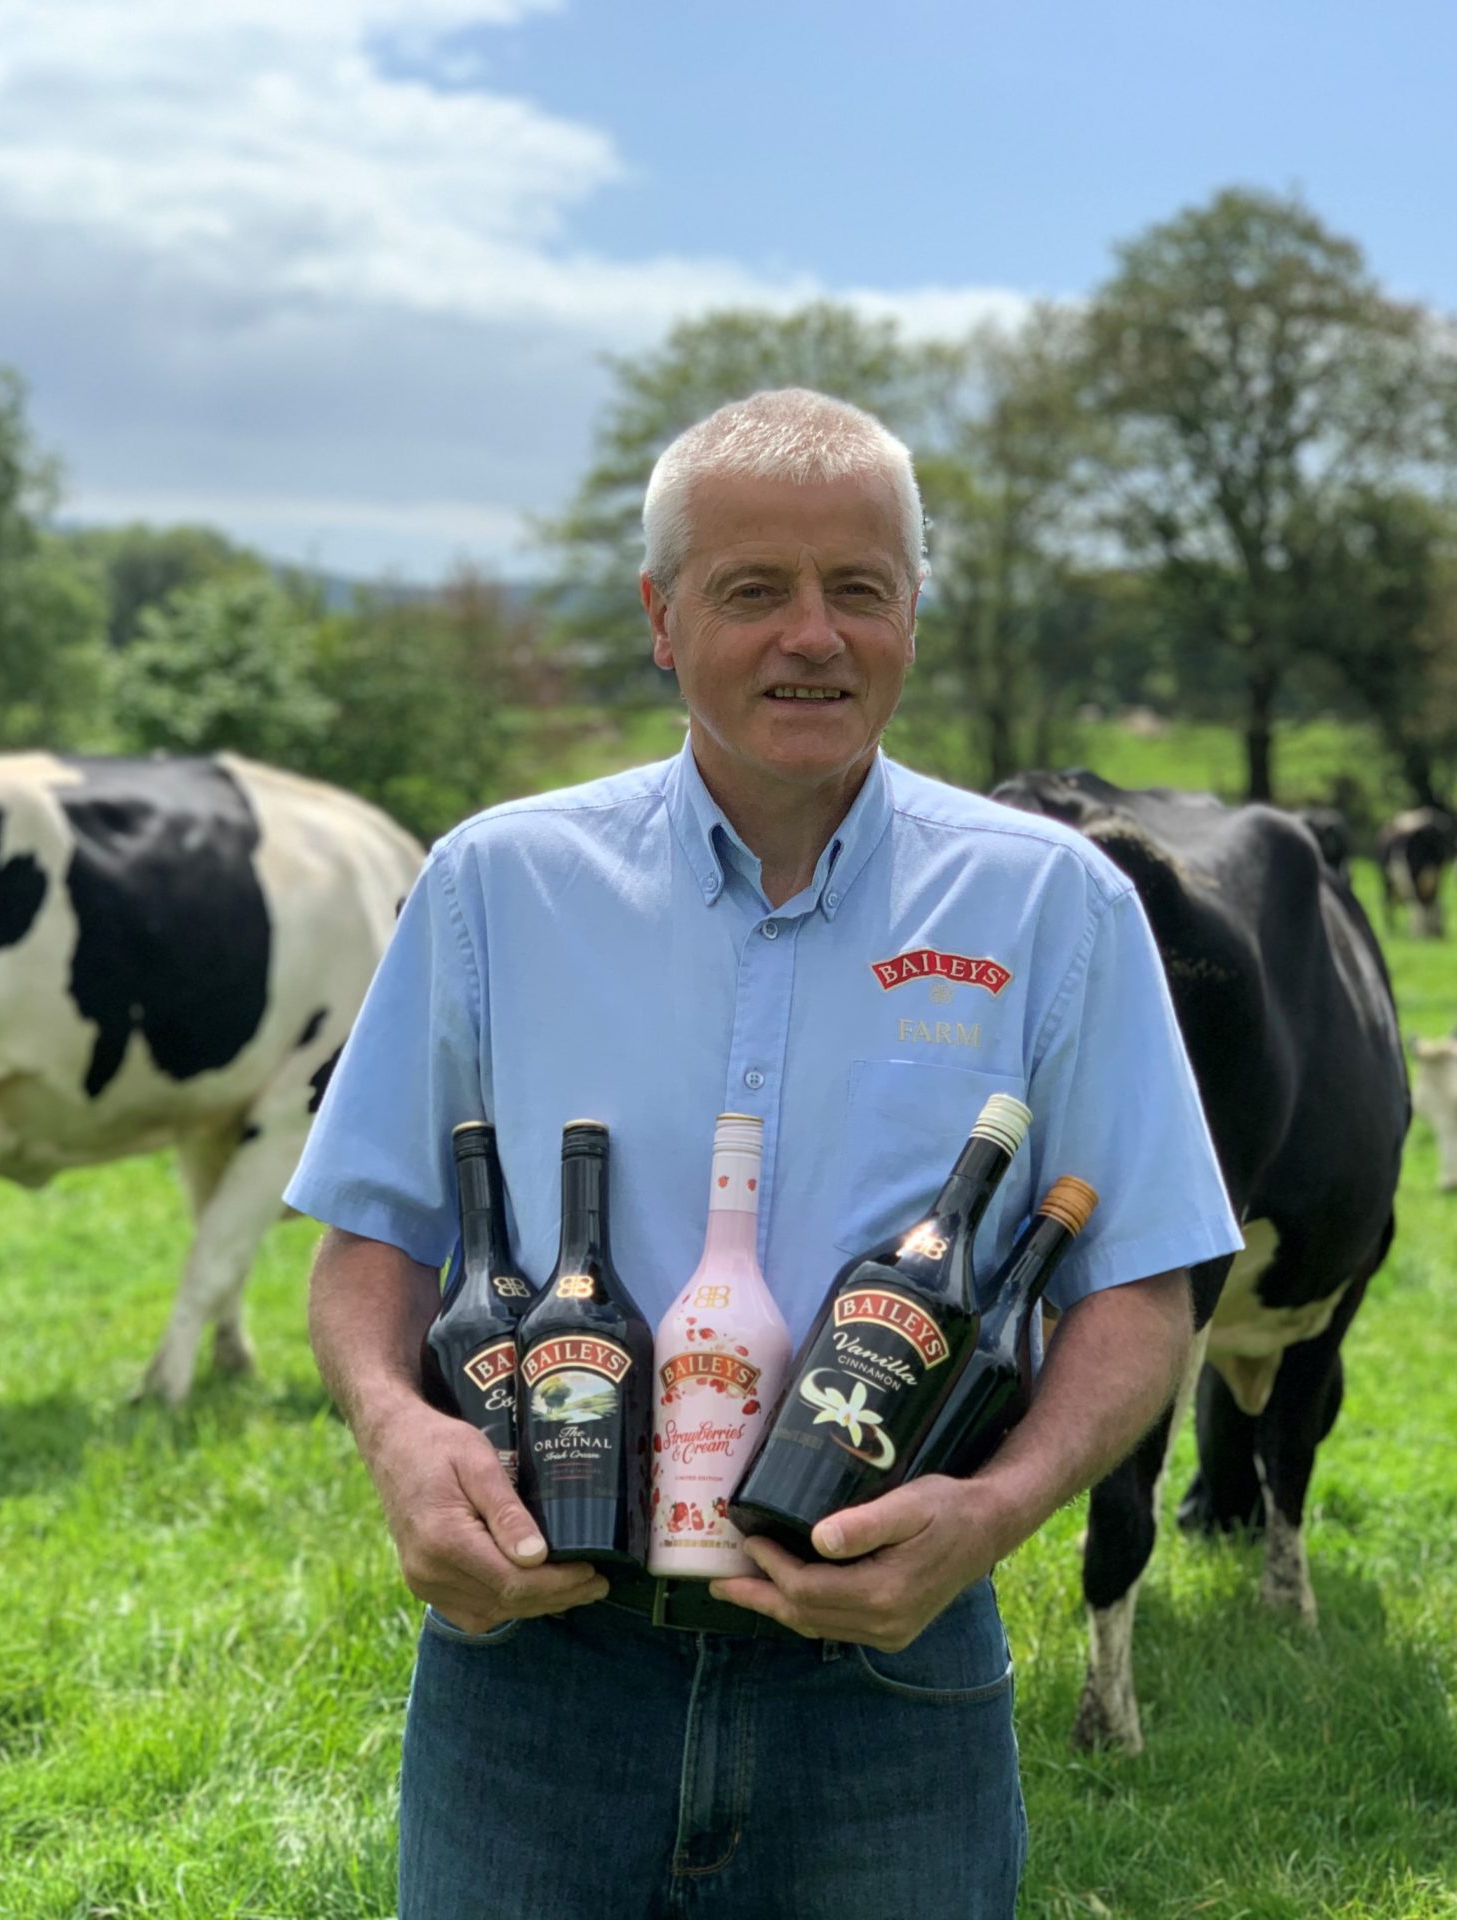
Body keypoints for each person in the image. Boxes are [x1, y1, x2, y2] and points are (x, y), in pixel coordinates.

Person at [288, 388, 1242, 1919]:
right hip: (539, 1669)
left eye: (859, 589)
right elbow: (374, 1244)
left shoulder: (1054, 909)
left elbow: (1141, 1299)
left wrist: (993, 1517)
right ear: (662, 619)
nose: (816, 634)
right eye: (755, 591)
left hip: (892, 1669)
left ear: (913, 615)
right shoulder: (495, 886)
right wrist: (404, 1442)